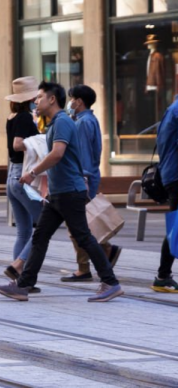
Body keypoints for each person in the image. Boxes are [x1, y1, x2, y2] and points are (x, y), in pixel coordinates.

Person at [0, 82, 123, 302]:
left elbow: (57, 154)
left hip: (69, 192)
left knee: (83, 237)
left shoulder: (62, 122)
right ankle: (23, 285)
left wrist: (32, 172)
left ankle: (110, 282)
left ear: (52, 99)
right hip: (59, 192)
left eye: (40, 97)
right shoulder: (56, 123)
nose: (36, 101)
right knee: (40, 237)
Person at [61, 85, 122, 283]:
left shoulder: (82, 123)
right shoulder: (88, 120)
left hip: (81, 180)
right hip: (86, 179)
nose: (70, 102)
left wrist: (83, 180)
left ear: (79, 101)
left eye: (72, 98)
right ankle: (99, 256)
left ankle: (89, 264)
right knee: (80, 225)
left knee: (77, 227)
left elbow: (84, 156)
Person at [2, 77, 45, 291]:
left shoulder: (12, 117)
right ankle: (18, 268)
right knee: (44, 224)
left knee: (23, 231)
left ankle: (17, 280)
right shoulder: (25, 119)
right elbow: (17, 144)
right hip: (22, 176)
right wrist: (38, 141)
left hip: (12, 176)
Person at [151, 95, 178, 293]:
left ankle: (163, 275)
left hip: (172, 175)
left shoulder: (173, 108)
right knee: (176, 226)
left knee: (176, 225)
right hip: (176, 175)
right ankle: (162, 275)